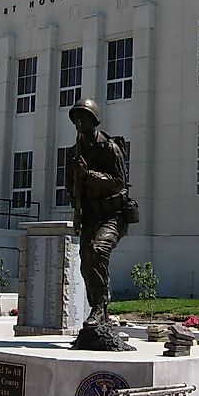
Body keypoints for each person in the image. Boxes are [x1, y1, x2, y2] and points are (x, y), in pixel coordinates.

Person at [65, 98, 129, 327]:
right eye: (76, 118)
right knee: (86, 261)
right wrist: (77, 210)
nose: (79, 122)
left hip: (114, 214)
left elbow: (119, 182)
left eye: (84, 117)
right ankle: (98, 309)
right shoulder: (74, 152)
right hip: (90, 215)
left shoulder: (109, 147)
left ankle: (100, 307)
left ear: (94, 120)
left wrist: (89, 174)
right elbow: (70, 186)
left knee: (98, 250)